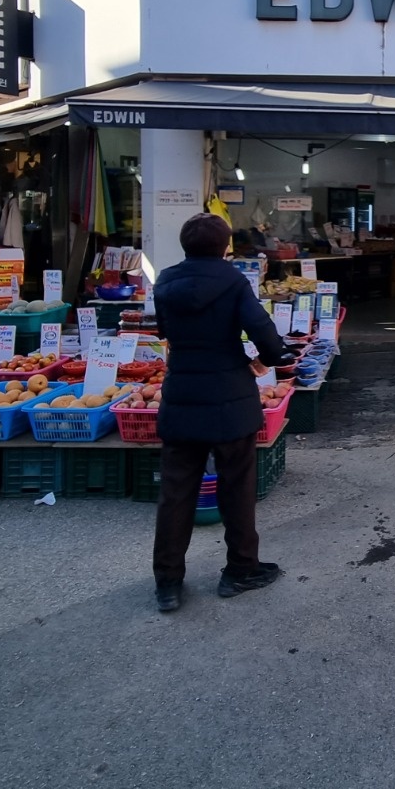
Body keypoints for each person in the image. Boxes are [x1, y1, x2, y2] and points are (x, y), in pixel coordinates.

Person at [150, 212, 292, 612]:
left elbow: (166, 331)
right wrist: (272, 357)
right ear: (225, 247)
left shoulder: (165, 281)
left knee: (176, 493)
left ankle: (168, 583)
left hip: (181, 394)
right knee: (236, 486)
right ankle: (240, 569)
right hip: (229, 396)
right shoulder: (232, 280)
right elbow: (259, 326)